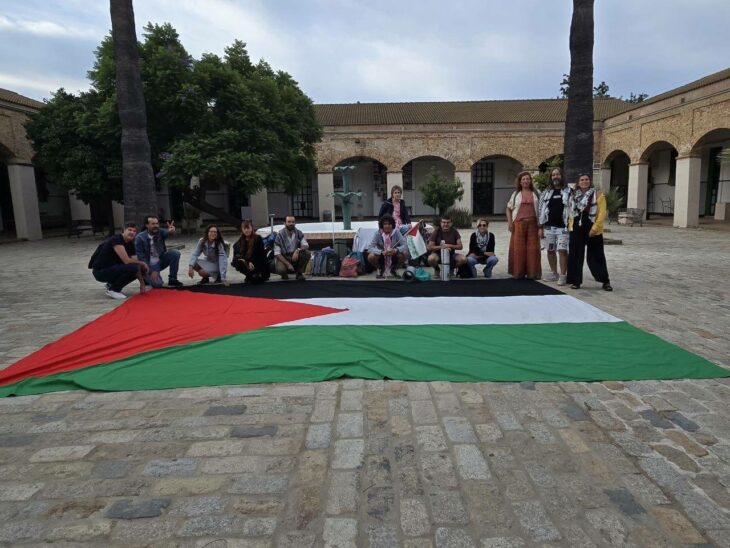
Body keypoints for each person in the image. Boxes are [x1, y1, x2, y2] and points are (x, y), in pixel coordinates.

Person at [567, 173, 613, 291]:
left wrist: (595, 228)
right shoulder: (574, 195)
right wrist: (569, 226)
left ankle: (605, 280)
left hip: (592, 225)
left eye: (586, 179)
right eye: (582, 180)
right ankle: (576, 281)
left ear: (590, 181)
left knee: (597, 255)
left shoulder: (598, 195)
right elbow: (570, 211)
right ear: (578, 183)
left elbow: (602, 213)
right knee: (575, 254)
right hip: (577, 226)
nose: (584, 181)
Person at [91, 222, 149, 300]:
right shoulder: (116, 240)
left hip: (113, 268)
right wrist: (142, 262)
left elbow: (136, 263)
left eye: (134, 231)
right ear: (123, 230)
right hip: (100, 271)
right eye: (130, 230)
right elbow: (126, 260)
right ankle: (114, 290)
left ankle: (111, 284)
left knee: (141, 269)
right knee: (133, 268)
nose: (132, 232)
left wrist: (142, 284)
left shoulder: (131, 244)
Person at [538, 168, 571, 285]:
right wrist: (540, 227)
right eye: (553, 175)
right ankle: (554, 273)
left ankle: (563, 275)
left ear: (562, 176)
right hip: (549, 227)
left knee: (562, 250)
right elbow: (541, 210)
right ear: (551, 177)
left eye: (558, 174)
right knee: (550, 250)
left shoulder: (569, 192)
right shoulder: (546, 193)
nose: (555, 177)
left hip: (563, 228)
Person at [506, 171, 541, 279]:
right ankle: (518, 273)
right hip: (518, 223)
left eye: (528, 179)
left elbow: (542, 209)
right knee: (518, 249)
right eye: (523, 179)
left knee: (533, 249)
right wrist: (510, 223)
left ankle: (532, 273)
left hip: (533, 224)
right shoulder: (516, 194)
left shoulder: (537, 193)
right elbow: (508, 209)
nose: (526, 181)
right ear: (520, 182)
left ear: (530, 181)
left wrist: (541, 226)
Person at [135, 215, 183, 288]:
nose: (156, 226)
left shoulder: (160, 232)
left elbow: (167, 233)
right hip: (148, 264)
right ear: (147, 225)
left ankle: (172, 279)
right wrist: (150, 271)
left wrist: (171, 231)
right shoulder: (140, 237)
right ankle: (146, 277)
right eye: (153, 224)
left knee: (175, 253)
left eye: (157, 223)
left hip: (160, 261)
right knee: (158, 284)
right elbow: (141, 257)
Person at [367, 214, 410, 279]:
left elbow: (405, 245)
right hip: (381, 256)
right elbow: (370, 248)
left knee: (405, 253)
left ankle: (394, 269)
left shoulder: (396, 232)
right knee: (370, 256)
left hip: (393, 255)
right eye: (385, 224)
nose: (387, 226)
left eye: (389, 224)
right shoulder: (377, 233)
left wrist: (395, 250)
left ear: (392, 225)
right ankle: (380, 268)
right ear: (382, 225)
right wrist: (381, 252)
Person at [231, 219, 270, 284]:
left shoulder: (258, 238)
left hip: (259, 264)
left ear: (252, 228)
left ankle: (254, 274)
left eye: (248, 228)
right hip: (247, 263)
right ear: (242, 229)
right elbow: (237, 253)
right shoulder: (240, 240)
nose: (246, 230)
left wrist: (251, 262)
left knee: (256, 280)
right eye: (245, 228)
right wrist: (247, 261)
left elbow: (261, 255)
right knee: (237, 262)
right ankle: (250, 275)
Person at [274, 215, 311, 281]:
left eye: (293, 222)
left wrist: (297, 250)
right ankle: (284, 274)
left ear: (295, 223)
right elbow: (277, 253)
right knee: (281, 270)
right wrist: (288, 264)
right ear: (284, 223)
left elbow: (306, 245)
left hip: (295, 255)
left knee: (307, 253)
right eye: (289, 222)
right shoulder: (280, 235)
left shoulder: (298, 233)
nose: (291, 223)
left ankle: (299, 273)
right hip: (284, 256)